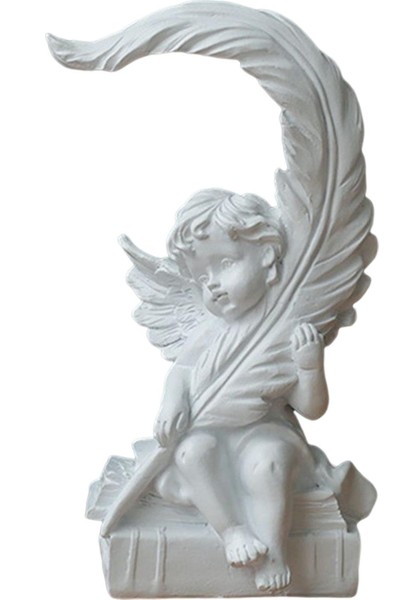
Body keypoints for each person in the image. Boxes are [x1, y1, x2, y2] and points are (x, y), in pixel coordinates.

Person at [150, 189, 329, 592]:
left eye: (225, 263)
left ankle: (275, 552)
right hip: (210, 434)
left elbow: (310, 408)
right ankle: (232, 530)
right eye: (201, 278)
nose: (212, 284)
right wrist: (172, 401)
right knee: (191, 453)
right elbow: (182, 371)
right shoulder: (210, 331)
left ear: (266, 254)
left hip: (267, 433)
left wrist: (309, 367)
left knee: (265, 464)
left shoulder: (283, 329)